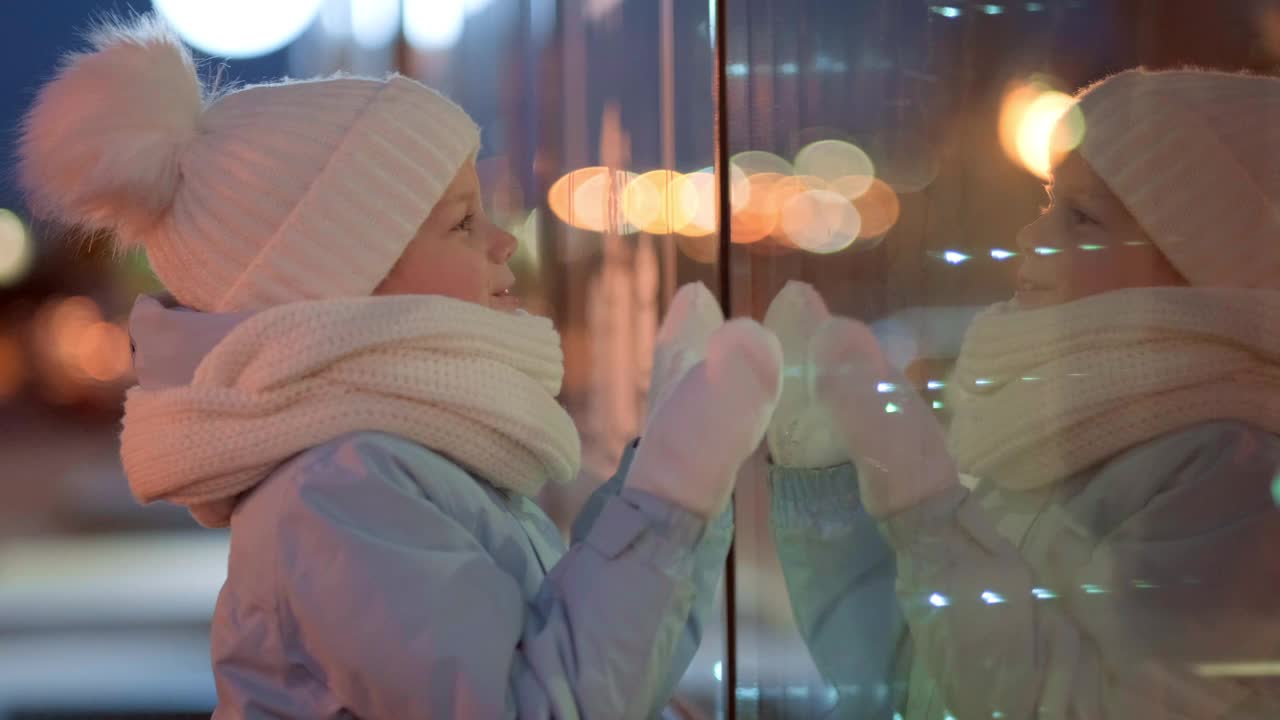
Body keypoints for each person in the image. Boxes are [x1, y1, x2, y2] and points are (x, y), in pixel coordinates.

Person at [18, 16, 785, 719]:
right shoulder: (339, 492)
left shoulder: (401, 455)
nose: (502, 243)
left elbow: (565, 661)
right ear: (345, 280)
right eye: (461, 220)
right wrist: (673, 493)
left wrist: (662, 478)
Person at [764, 68, 1280, 718]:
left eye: (1080, 217)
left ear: (1204, 263)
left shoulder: (1228, 475)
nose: (1030, 237)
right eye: (1046, 204)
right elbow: (923, 682)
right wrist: (827, 488)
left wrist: (927, 515)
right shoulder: (1057, 427)